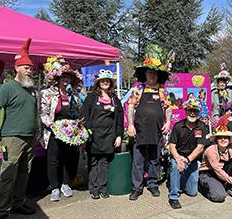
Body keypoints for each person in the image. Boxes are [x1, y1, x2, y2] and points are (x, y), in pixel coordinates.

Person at [0, 38, 37, 219]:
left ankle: (18, 203)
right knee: (8, 175)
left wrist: (37, 133)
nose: (29, 71)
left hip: (29, 138)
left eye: (30, 68)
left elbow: (34, 114)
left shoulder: (30, 90)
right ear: (16, 68)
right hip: (11, 139)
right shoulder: (7, 89)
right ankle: (0, 214)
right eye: (25, 67)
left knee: (24, 173)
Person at [127, 43, 173, 201]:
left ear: (157, 75)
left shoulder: (162, 90)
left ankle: (153, 185)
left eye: (154, 73)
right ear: (145, 74)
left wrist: (168, 122)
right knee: (138, 161)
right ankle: (137, 187)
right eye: (149, 73)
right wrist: (131, 125)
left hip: (156, 132)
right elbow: (131, 108)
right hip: (139, 132)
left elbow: (168, 108)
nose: (152, 76)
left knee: (154, 160)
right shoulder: (138, 90)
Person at [40, 56, 84, 202]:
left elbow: (78, 112)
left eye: (68, 77)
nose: (66, 79)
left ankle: (65, 183)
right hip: (54, 132)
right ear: (57, 78)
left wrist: (78, 126)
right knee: (54, 160)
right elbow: (43, 113)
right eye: (63, 76)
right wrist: (53, 126)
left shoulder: (74, 94)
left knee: (69, 158)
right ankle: (54, 187)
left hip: (70, 133)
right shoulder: (47, 93)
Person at [80, 69, 124, 199]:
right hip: (93, 137)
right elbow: (83, 116)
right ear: (98, 83)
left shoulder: (115, 99)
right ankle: (93, 188)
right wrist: (83, 135)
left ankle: (102, 188)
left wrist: (119, 135)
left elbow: (120, 119)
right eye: (102, 81)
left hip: (108, 136)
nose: (105, 83)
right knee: (93, 163)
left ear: (110, 83)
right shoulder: (91, 97)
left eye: (107, 81)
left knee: (104, 163)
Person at [168, 100, 208, 209]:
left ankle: (178, 181)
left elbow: (200, 147)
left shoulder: (202, 126)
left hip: (192, 159)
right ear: (186, 111)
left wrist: (188, 159)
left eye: (195, 111)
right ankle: (173, 196)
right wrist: (178, 159)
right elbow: (171, 145)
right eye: (190, 110)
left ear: (198, 112)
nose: (192, 113)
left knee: (192, 192)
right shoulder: (178, 126)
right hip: (178, 155)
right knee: (176, 168)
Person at [199, 126, 232, 201]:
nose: (223, 139)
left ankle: (231, 189)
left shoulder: (230, 151)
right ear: (216, 140)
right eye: (220, 138)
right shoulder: (211, 150)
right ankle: (202, 186)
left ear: (229, 140)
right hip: (208, 174)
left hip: (222, 174)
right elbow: (217, 170)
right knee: (219, 197)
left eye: (226, 137)